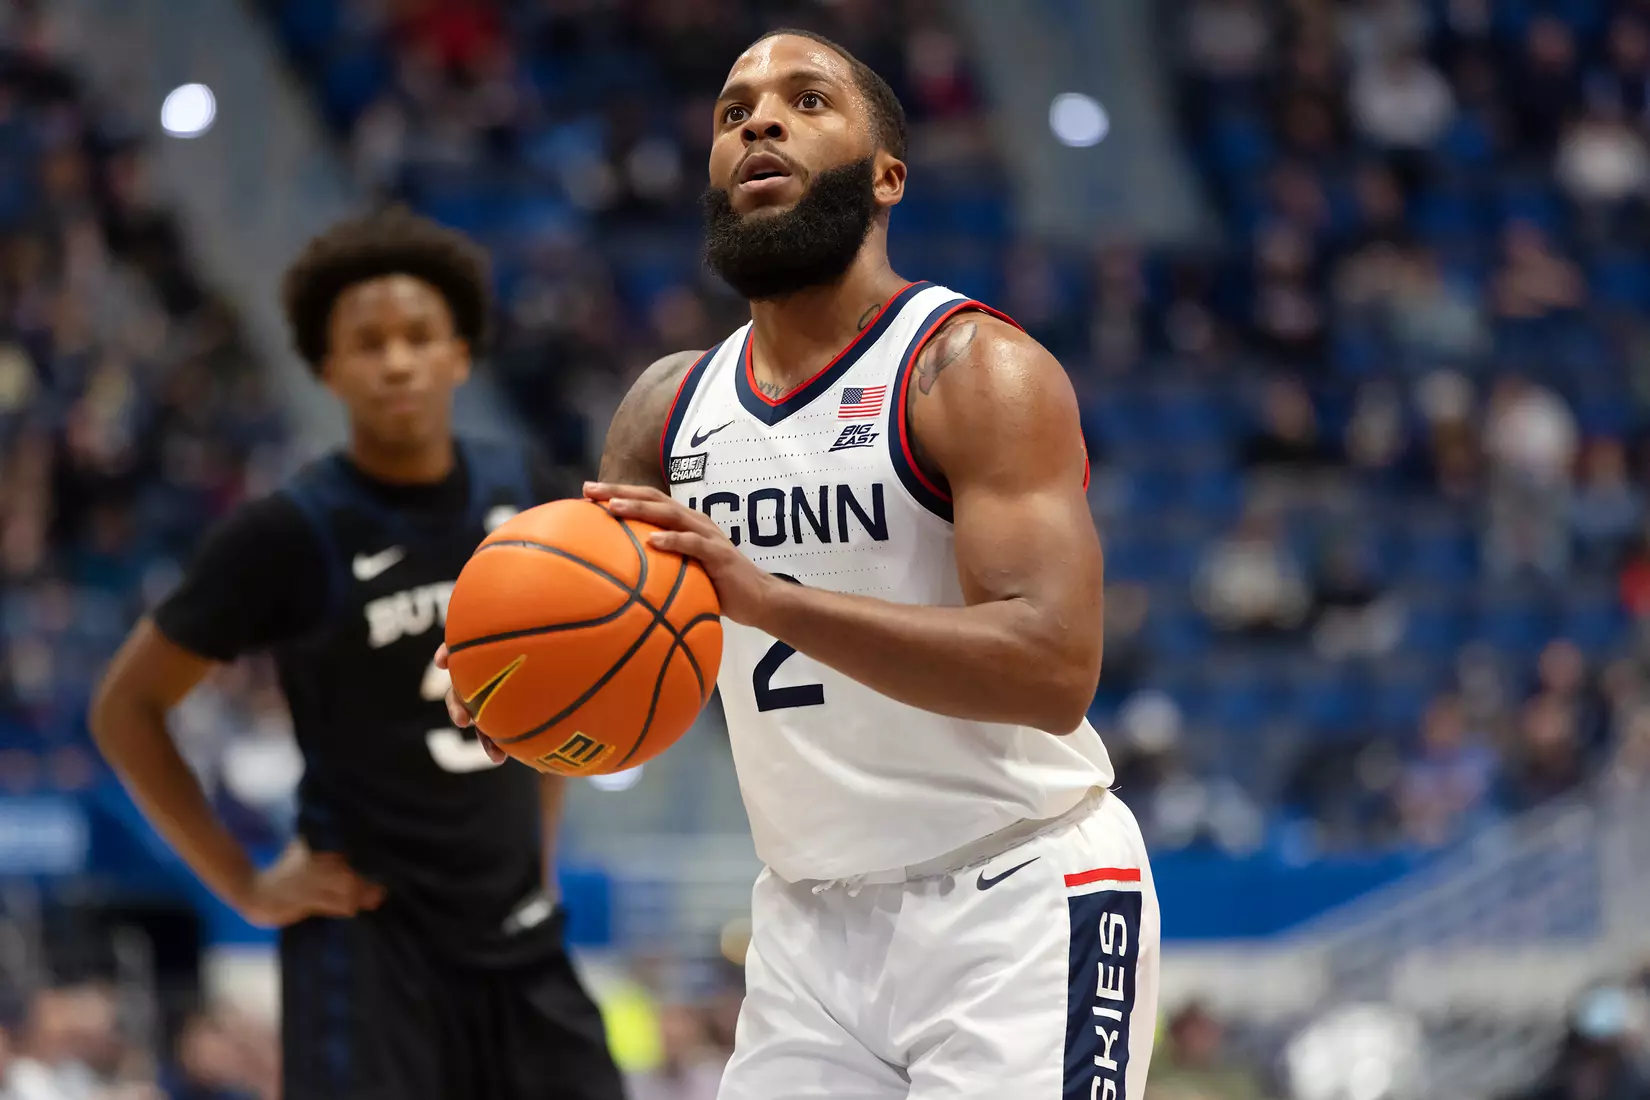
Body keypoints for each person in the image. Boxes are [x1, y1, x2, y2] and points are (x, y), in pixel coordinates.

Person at [439, 29, 1160, 1100]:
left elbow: (1053, 666)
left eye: (807, 100)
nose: (760, 121)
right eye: (734, 112)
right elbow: (635, 656)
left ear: (886, 176)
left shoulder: (973, 371)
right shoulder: (665, 410)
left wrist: (770, 599)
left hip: (1018, 893)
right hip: (807, 920)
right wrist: (531, 701)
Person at [90, 208, 623, 1100]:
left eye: (420, 336)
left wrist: (541, 849)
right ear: (326, 366)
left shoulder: (527, 491)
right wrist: (246, 886)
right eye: (368, 342)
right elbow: (124, 708)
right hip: (369, 947)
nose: (398, 360)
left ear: (461, 352)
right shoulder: (289, 531)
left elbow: (557, 693)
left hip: (519, 936)